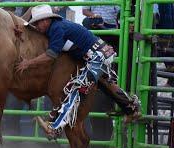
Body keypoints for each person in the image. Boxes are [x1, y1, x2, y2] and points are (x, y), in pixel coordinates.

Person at [16, 5, 141, 139]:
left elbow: (51, 54)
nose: (36, 25)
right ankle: (131, 109)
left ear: (46, 20)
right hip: (99, 53)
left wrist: (28, 63)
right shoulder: (55, 26)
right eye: (34, 23)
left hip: (96, 56)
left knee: (77, 88)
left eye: (37, 22)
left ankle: (55, 127)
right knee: (106, 85)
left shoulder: (57, 29)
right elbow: (38, 33)